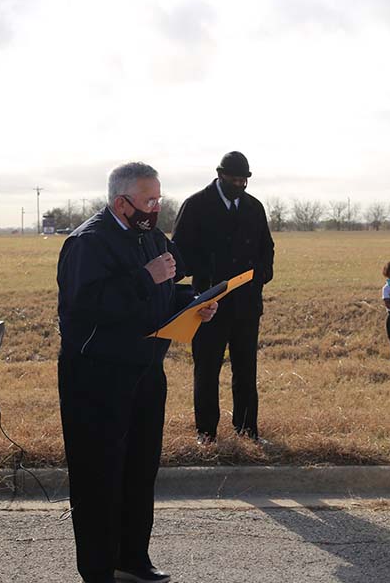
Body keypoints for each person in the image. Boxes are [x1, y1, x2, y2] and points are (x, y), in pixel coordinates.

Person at [56, 162, 217, 583]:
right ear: (120, 203)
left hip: (145, 370)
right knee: (99, 474)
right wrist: (146, 277)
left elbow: (162, 291)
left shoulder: (153, 238)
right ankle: (98, 569)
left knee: (139, 469)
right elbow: (87, 306)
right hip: (96, 378)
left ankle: (133, 557)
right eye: (148, 200)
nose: (156, 207)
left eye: (158, 198)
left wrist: (194, 301)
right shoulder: (87, 243)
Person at [171, 151, 275, 444]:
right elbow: (179, 252)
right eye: (235, 179)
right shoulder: (196, 205)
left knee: (246, 370)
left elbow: (267, 247)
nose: (240, 184)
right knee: (207, 370)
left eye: (245, 179)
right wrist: (196, 280)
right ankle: (206, 433)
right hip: (208, 305)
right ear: (221, 175)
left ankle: (247, 430)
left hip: (247, 304)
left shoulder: (254, 207)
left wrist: (262, 274)